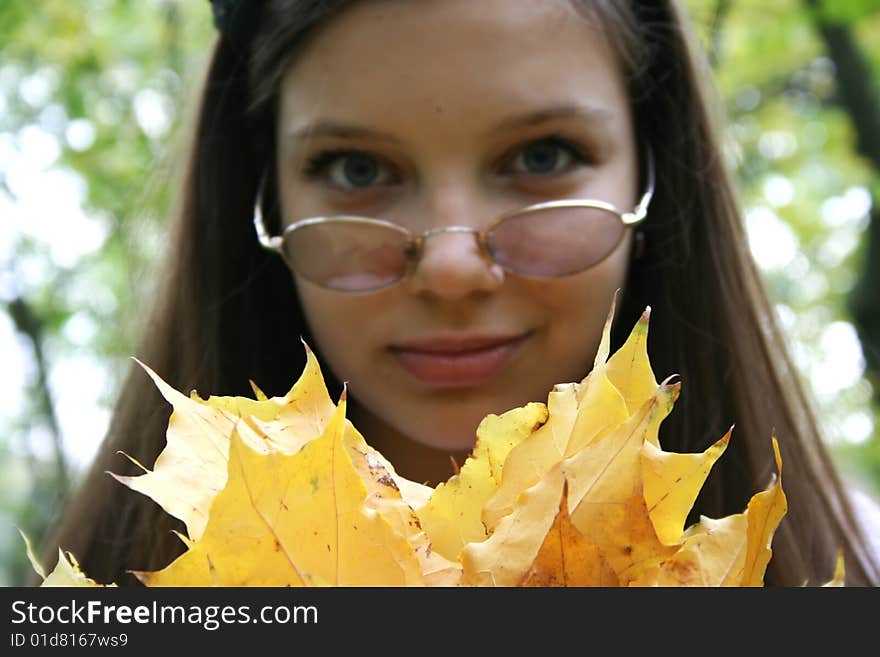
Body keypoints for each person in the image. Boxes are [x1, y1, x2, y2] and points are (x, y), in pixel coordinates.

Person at [40, 0, 880, 587]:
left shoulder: (853, 565)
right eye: (357, 168)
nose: (449, 266)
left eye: (542, 156)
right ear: (262, 194)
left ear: (651, 170)